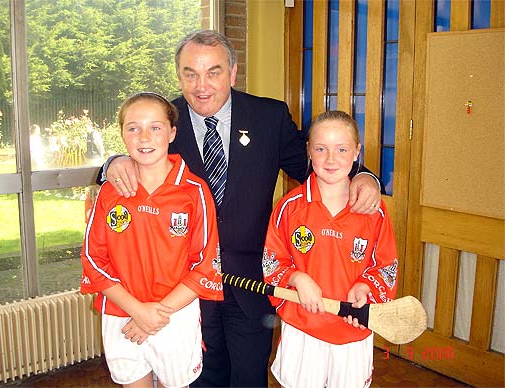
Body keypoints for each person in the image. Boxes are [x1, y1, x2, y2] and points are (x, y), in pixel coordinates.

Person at [99, 30, 382, 387]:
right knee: (200, 377)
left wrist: (366, 175)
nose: (202, 85)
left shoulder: (268, 116)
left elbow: (319, 163)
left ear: (232, 73)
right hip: (187, 287)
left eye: (213, 72)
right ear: (179, 75)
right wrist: (111, 163)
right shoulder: (165, 123)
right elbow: (136, 151)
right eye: (190, 73)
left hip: (249, 280)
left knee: (249, 376)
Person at [81, 91, 223, 388]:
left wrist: (155, 314)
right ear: (122, 134)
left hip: (174, 315)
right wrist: (138, 310)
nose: (144, 137)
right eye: (133, 128)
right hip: (122, 314)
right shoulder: (110, 192)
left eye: (155, 127)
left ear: (172, 132)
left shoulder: (194, 191)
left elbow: (207, 265)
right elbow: (93, 259)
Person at [263, 110, 398, 388]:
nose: (331, 159)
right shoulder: (290, 207)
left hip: (352, 327)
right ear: (309, 151)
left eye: (342, 149)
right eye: (321, 148)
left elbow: (386, 267)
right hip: (303, 326)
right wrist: (297, 278)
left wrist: (365, 288)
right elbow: (272, 261)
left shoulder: (374, 211)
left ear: (356, 151)